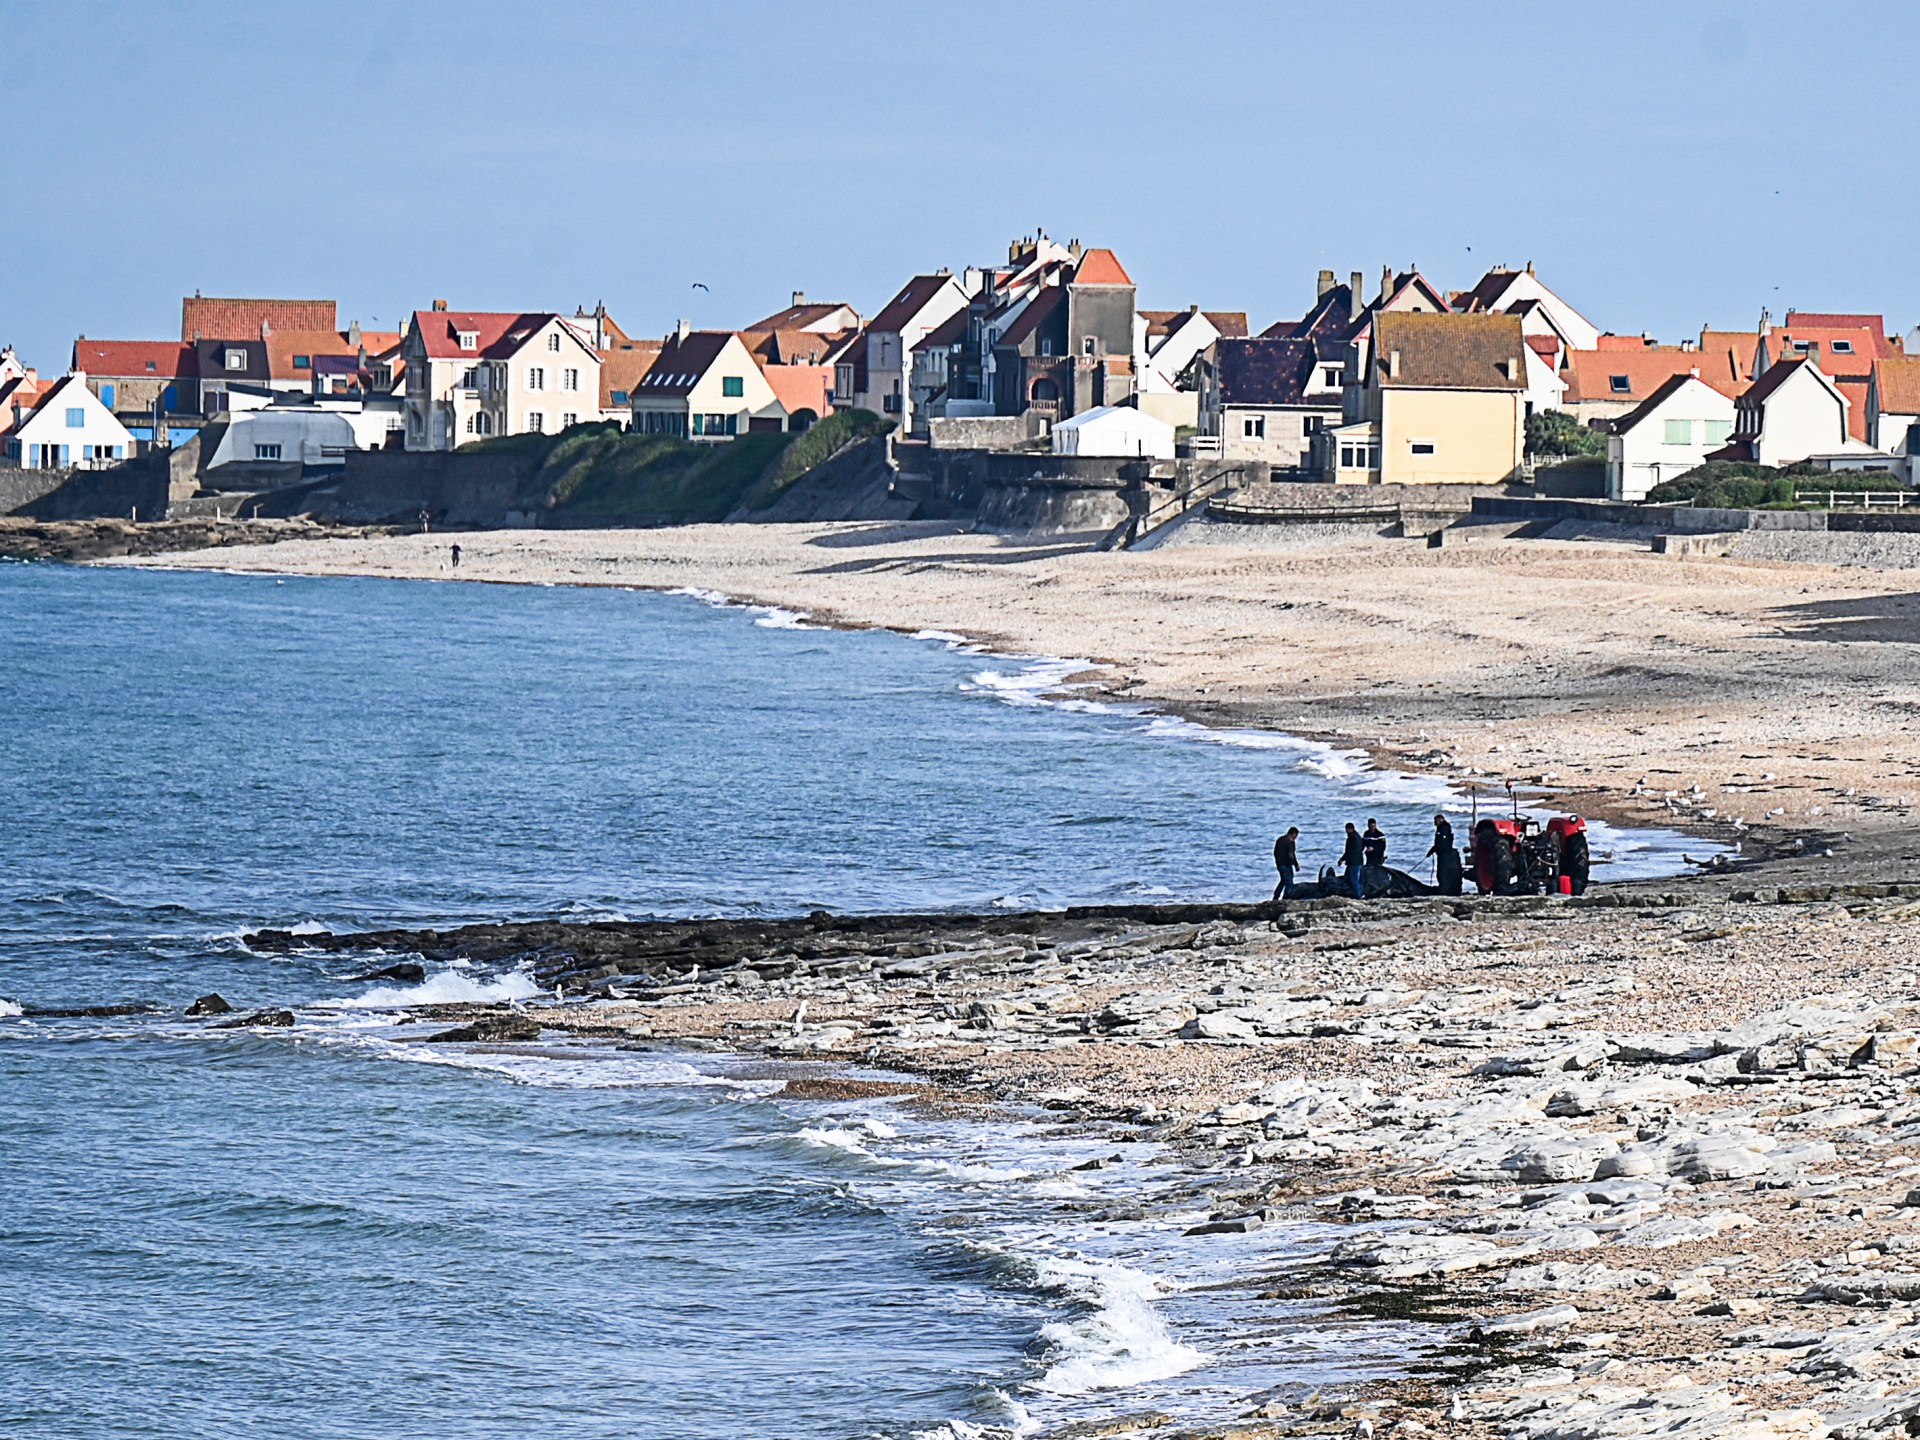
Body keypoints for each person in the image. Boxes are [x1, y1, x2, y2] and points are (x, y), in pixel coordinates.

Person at [1428, 814, 1462, 896]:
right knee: (1441, 873)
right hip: (1442, 853)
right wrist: (1432, 850)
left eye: (1436, 821)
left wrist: (1436, 849)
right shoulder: (1440, 828)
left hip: (1445, 854)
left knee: (1444, 874)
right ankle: (1443, 888)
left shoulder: (1444, 828)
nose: (1434, 823)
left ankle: (1445, 889)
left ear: (1440, 820)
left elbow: (1443, 843)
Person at [1272, 826, 1300, 901]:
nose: (1296, 838)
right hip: (1286, 864)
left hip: (1279, 864)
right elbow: (1291, 854)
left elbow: (1275, 852)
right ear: (1294, 834)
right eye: (1296, 835)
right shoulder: (1290, 842)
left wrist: (1277, 861)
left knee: (1283, 880)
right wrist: (1296, 864)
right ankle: (1286, 897)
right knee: (1289, 881)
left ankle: (1276, 896)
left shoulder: (1280, 839)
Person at [1341, 822, 1366, 899]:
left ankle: (1358, 896)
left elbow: (1349, 851)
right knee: (1356, 880)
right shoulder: (1358, 837)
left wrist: (1343, 859)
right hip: (1359, 860)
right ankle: (1360, 894)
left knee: (1354, 880)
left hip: (1353, 862)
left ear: (1348, 829)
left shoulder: (1351, 837)